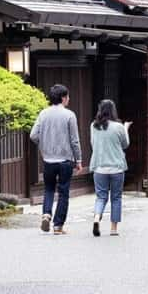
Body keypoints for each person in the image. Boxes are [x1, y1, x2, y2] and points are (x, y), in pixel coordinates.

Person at [29, 84, 82, 234]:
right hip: (65, 160)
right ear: (63, 98)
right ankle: (58, 226)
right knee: (64, 192)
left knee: (49, 189)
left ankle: (46, 213)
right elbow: (75, 141)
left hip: (48, 160)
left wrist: (44, 144)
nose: (69, 99)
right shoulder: (70, 115)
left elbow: (33, 135)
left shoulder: (43, 114)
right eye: (68, 97)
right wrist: (78, 160)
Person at [89, 99, 130, 237]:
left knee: (101, 197)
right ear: (113, 111)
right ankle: (113, 229)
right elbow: (125, 144)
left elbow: (93, 144)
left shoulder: (93, 126)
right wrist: (125, 128)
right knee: (116, 198)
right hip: (116, 168)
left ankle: (96, 218)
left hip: (99, 167)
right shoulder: (118, 127)